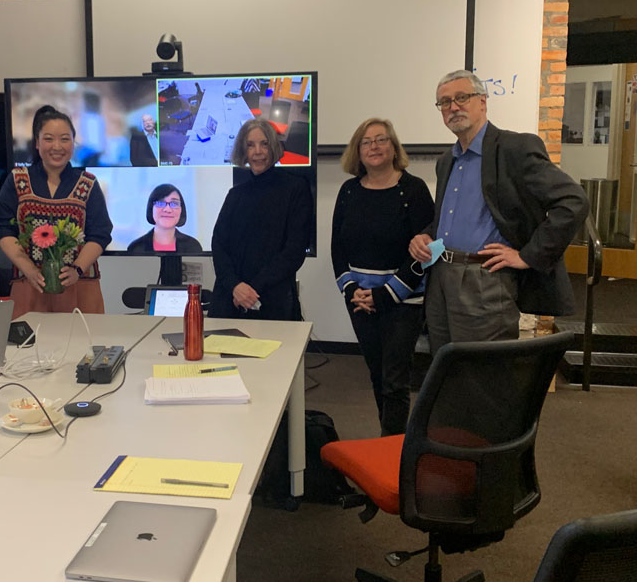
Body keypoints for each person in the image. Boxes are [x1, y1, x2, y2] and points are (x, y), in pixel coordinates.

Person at [409, 69, 589, 356]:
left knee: (483, 377)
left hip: (484, 279)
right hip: (440, 276)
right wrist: (425, 236)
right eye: (444, 102)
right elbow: (453, 218)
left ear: (483, 101)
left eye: (461, 97)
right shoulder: (446, 161)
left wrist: (528, 255)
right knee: (444, 372)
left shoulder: (514, 148)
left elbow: (573, 201)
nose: (453, 107)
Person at [331, 118, 434, 436]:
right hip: (360, 301)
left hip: (403, 302)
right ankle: (387, 442)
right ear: (357, 151)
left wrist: (385, 295)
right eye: (366, 141)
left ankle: (393, 454)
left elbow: (434, 245)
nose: (374, 146)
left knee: (394, 381)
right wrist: (352, 292)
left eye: (381, 139)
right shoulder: (348, 191)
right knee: (377, 376)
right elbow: (337, 248)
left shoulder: (413, 189)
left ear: (394, 147)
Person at [0, 105, 112, 317]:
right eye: (48, 139)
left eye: (65, 139)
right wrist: (28, 269)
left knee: (82, 347)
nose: (57, 146)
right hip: (30, 285)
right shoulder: (17, 180)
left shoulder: (88, 184)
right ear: (37, 143)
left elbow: (100, 233)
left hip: (79, 287)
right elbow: (4, 230)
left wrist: (76, 269)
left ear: (73, 144)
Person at [209, 119, 312, 321]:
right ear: (243, 150)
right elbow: (219, 244)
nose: (258, 151)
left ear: (273, 147)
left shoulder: (296, 189)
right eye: (250, 145)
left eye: (264, 144)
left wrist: (253, 288)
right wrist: (235, 286)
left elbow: (294, 251)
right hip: (230, 299)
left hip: (273, 301)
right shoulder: (235, 195)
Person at [126, 184, 203, 253]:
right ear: (151, 208)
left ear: (181, 210)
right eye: (160, 203)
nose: (167, 209)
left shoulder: (193, 247)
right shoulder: (136, 248)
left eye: (174, 203)